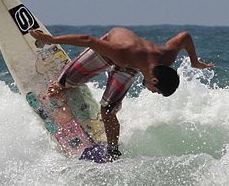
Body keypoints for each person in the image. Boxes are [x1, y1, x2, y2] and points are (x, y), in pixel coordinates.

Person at [30, 27, 213, 160]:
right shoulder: (122, 52)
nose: (152, 93)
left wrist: (194, 61)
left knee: (108, 110)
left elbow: (185, 37)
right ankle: (62, 84)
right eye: (156, 92)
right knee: (65, 83)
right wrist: (51, 40)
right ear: (154, 81)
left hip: (133, 66)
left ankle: (113, 151)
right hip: (112, 51)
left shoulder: (166, 58)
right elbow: (87, 39)